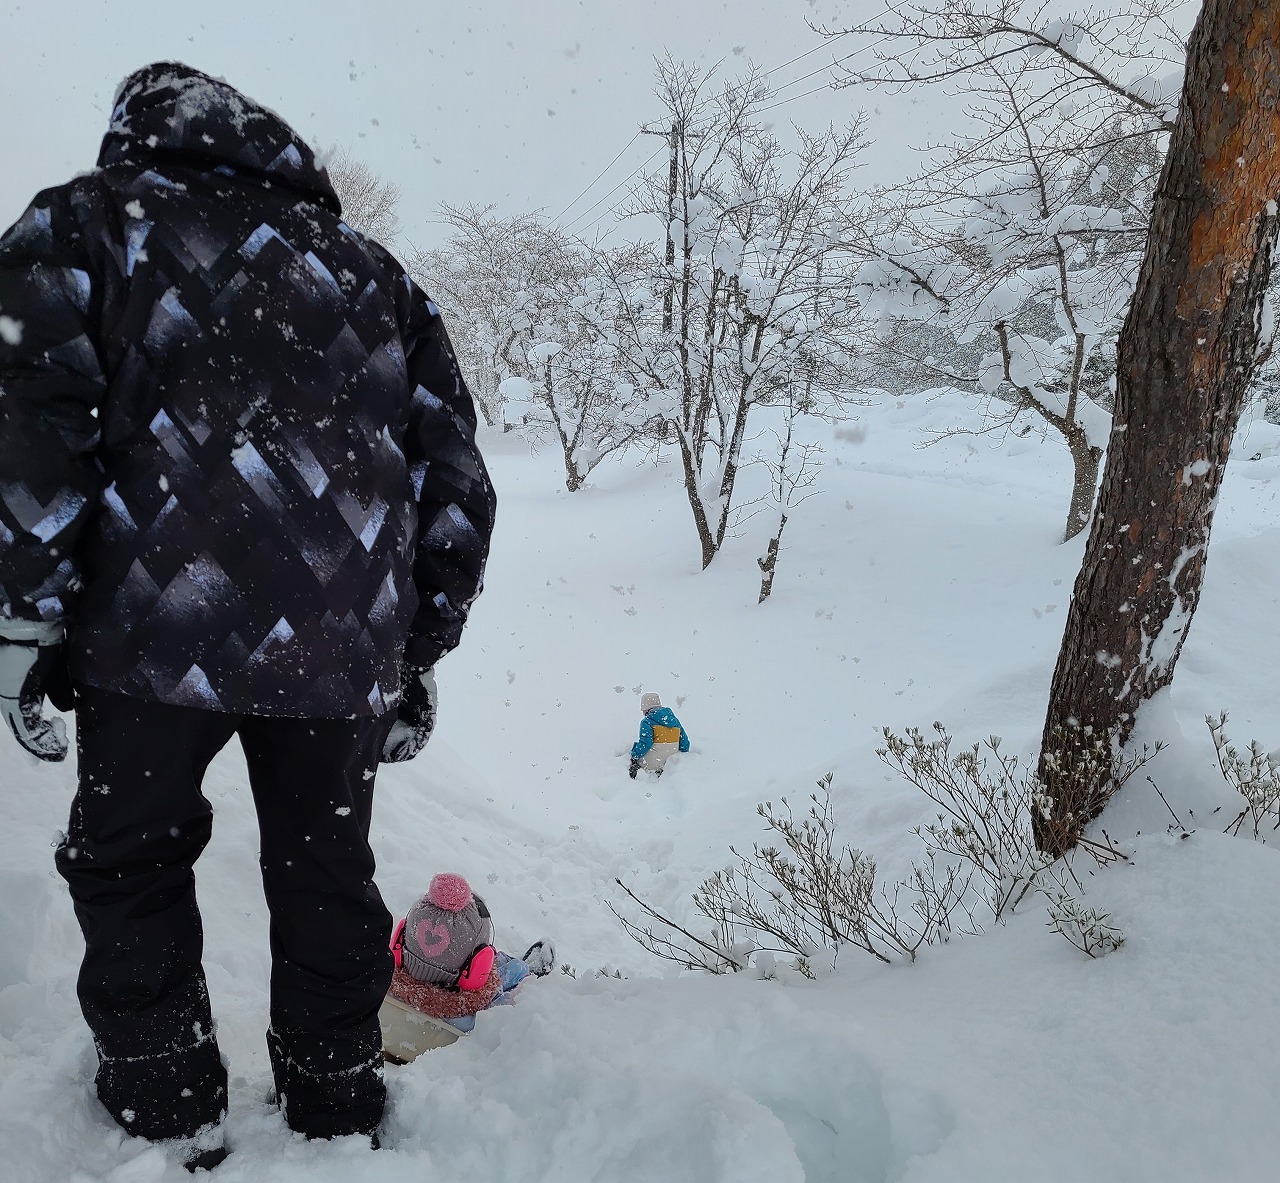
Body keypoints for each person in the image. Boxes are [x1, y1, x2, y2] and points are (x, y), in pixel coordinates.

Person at [0, 62, 496, 1169]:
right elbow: (454, 481)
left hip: (148, 635)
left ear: (137, 135)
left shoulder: (85, 224)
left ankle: (165, 1101)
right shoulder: (374, 274)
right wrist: (417, 648)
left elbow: (30, 433)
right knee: (325, 867)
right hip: (338, 648)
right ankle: (332, 1100)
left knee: (129, 857)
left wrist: (22, 616)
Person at [379, 872, 554, 1062]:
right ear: (478, 970)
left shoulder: (376, 986)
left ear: (399, 941)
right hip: (480, 997)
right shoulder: (486, 1017)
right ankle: (530, 974)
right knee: (510, 973)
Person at [629, 692, 690, 777]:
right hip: (670, 762)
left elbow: (646, 743)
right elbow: (685, 743)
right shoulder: (675, 721)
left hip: (651, 763)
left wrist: (634, 755)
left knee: (636, 747)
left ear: (646, 708)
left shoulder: (646, 721)